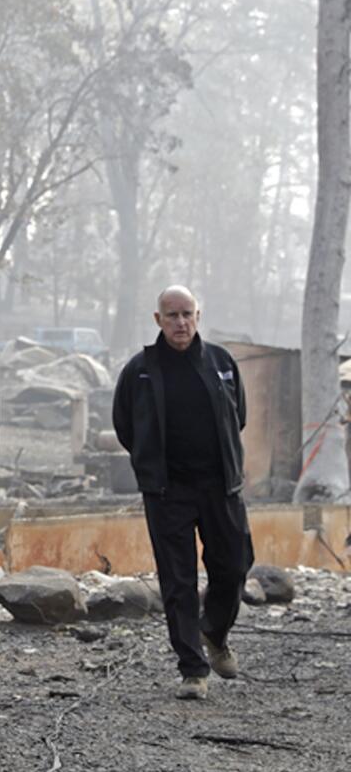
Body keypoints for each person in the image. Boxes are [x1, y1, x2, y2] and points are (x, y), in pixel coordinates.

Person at [112, 285, 254, 700]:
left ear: (198, 315)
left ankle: (214, 631)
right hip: (167, 490)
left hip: (220, 485)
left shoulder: (221, 362)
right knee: (178, 580)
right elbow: (125, 427)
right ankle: (193, 669)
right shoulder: (139, 369)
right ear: (158, 320)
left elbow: (238, 416)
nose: (180, 322)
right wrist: (151, 463)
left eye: (187, 314)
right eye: (171, 315)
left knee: (234, 565)